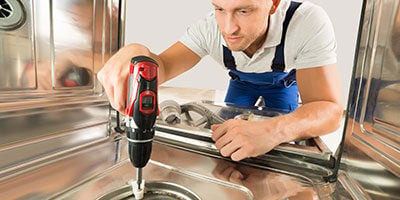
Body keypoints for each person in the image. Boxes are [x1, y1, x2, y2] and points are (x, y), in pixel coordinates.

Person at [97, 0, 344, 161]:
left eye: (244, 10)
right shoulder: (208, 28)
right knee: (226, 136)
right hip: (241, 82)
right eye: (219, 9)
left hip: (281, 84)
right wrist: (137, 51)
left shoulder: (307, 22)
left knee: (282, 142)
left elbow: (329, 109)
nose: (228, 28)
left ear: (273, 3)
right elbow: (161, 65)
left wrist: (274, 129)